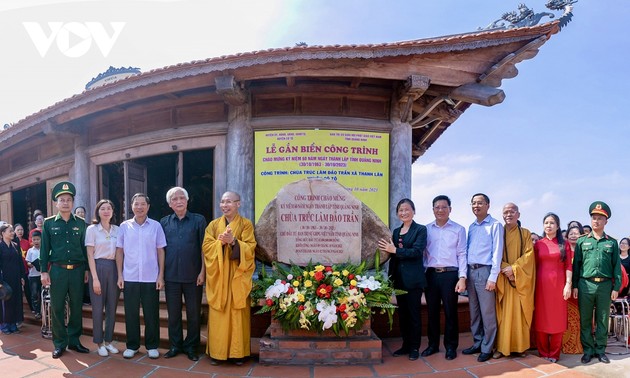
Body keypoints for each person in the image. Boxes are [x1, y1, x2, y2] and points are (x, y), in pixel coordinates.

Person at [202, 191, 256, 365]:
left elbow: (250, 248)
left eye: (229, 202)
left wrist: (234, 242)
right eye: (222, 202)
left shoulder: (246, 225)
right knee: (219, 314)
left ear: (238, 204)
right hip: (219, 277)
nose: (225, 205)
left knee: (238, 313)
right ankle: (217, 353)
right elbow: (206, 247)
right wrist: (221, 243)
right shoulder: (213, 225)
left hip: (237, 277)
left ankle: (238, 353)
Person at [39, 181, 89, 359]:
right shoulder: (48, 224)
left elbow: (85, 249)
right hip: (57, 271)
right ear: (56, 203)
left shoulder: (82, 224)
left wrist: (87, 270)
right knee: (57, 307)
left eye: (69, 199)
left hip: (77, 270)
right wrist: (44, 271)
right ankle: (60, 343)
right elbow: (44, 250)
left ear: (73, 202)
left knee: (76, 306)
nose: (65, 202)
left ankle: (74, 341)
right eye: (62, 199)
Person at [116, 193, 166, 360]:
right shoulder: (124, 226)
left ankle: (152, 346)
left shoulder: (156, 226)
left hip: (151, 277)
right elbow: (119, 251)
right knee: (130, 313)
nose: (139, 207)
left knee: (151, 313)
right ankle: (132, 345)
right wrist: (120, 275)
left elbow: (160, 251)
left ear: (148, 206)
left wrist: (161, 276)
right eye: (136, 204)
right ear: (131, 207)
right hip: (129, 276)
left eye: (142, 204)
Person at [572, 201, 622, 364]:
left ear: (605, 222)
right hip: (585, 285)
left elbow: (616, 267)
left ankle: (600, 350)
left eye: (600, 218)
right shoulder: (581, 241)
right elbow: (576, 265)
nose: (596, 221)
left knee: (602, 319)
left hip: (605, 286)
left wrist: (616, 287)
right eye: (594, 218)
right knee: (585, 319)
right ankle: (588, 350)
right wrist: (574, 285)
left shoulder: (612, 242)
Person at [160, 187, 207, 361]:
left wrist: (203, 272)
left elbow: (204, 248)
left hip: (193, 276)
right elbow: (161, 251)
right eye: (174, 199)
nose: (178, 201)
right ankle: (175, 345)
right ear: (170, 204)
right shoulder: (164, 222)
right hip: (171, 276)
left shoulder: (198, 220)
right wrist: (161, 275)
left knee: (194, 314)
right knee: (173, 314)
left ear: (187, 201)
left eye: (182, 198)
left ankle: (191, 347)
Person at [378, 198, 427, 361]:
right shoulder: (396, 232)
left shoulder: (420, 230)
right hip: (399, 280)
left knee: (414, 315)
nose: (404, 212)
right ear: (397, 213)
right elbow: (393, 257)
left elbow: (417, 252)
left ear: (413, 211)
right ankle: (406, 345)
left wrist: (395, 250)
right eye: (400, 210)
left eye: (407, 209)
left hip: (413, 281)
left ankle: (414, 348)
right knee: (403, 315)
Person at [421, 195, 466, 360]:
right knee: (431, 312)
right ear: (433, 209)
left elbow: (462, 254)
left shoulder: (459, 229)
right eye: (437, 207)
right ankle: (432, 345)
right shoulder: (426, 229)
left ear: (450, 209)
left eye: (444, 207)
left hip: (450, 275)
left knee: (450, 311)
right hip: (431, 275)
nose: (440, 210)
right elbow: (423, 254)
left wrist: (462, 277)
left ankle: (451, 347)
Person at [462, 193, 503, 363]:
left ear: (488, 205)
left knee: (487, 313)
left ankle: (487, 347)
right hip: (471, 271)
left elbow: (497, 252)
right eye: (473, 203)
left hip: (485, 272)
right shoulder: (471, 226)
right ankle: (477, 342)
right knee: (474, 311)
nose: (476, 206)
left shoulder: (495, 225)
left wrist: (493, 277)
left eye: (480, 203)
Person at [494, 203, 535, 359]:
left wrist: (515, 269)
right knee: (502, 316)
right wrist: (506, 269)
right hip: (503, 279)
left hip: (520, 281)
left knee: (519, 313)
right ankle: (501, 347)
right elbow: (494, 254)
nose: (508, 214)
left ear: (518, 214)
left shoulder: (525, 233)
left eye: (512, 212)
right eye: (505, 212)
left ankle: (520, 347)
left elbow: (529, 256)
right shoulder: (498, 232)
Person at [533, 213, 572, 363]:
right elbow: (534, 266)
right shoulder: (539, 244)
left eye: (552, 223)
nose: (548, 225)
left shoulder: (565, 244)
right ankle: (543, 353)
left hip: (559, 286)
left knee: (557, 319)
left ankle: (554, 354)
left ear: (557, 226)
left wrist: (568, 284)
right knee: (541, 318)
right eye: (546, 223)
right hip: (541, 286)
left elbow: (568, 265)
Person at [86, 199, 120, 357]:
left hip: (113, 268)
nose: (106, 211)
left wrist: (120, 274)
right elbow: (90, 255)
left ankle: (108, 340)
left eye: (109, 208)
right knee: (98, 308)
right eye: (102, 208)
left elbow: (120, 254)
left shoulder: (117, 230)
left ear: (113, 212)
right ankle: (99, 342)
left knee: (112, 307)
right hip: (98, 268)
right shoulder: (92, 229)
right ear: (98, 212)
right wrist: (95, 278)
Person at [0, 224, 25, 334]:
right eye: (10, 231)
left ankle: (13, 323)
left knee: (15, 300)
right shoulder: (0, 246)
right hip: (4, 279)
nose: (12, 233)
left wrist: (22, 277)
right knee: (6, 300)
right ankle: (5, 324)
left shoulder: (15, 245)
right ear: (3, 233)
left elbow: (20, 263)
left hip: (15, 277)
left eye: (12, 231)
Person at [562, 225, 583, 354]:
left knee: (578, 318)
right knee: (565, 317)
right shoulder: (563, 250)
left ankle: (576, 345)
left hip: (580, 288)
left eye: (577, 233)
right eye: (571, 233)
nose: (573, 235)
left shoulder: (584, 251)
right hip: (564, 288)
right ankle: (563, 345)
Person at [25, 230, 42, 320]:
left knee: (43, 293)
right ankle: (37, 311)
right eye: (34, 239)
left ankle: (43, 310)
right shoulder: (30, 251)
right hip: (33, 276)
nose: (36, 241)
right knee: (34, 294)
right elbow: (27, 261)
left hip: (42, 275)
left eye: (38, 239)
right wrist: (30, 264)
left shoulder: (44, 250)